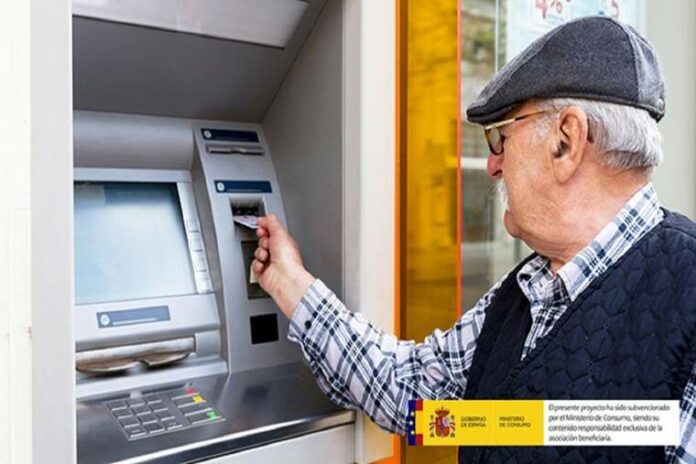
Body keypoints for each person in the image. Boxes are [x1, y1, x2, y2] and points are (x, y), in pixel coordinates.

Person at [251, 16, 695, 464]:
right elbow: (412, 394)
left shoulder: (687, 301)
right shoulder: (527, 292)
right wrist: (289, 281)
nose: (492, 165)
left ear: (566, 141)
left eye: (501, 138)